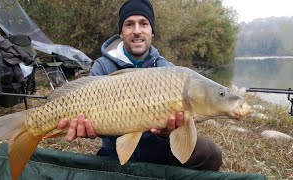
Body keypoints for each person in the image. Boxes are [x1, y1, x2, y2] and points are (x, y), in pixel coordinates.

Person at [58, 0, 222, 171]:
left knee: (209, 152)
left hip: (158, 151)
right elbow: (93, 123)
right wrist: (91, 129)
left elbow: (179, 133)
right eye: (129, 24)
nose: (137, 30)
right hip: (114, 152)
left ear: (152, 32)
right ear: (121, 33)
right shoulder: (102, 67)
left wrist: (167, 132)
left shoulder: (169, 70)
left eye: (143, 24)